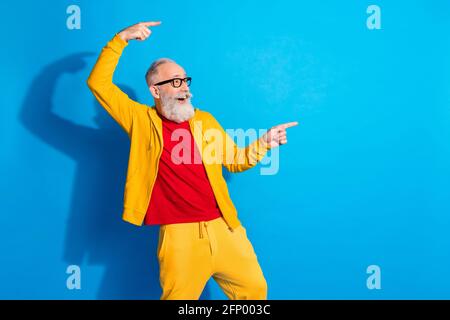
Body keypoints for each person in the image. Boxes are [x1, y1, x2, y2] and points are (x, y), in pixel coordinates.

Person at [87, 21, 298, 300]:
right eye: (175, 82)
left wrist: (265, 143)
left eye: (185, 80)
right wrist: (120, 39)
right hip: (179, 237)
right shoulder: (140, 120)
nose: (184, 86)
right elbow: (98, 83)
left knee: (255, 292)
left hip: (225, 227)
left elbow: (236, 160)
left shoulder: (205, 121)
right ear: (155, 91)